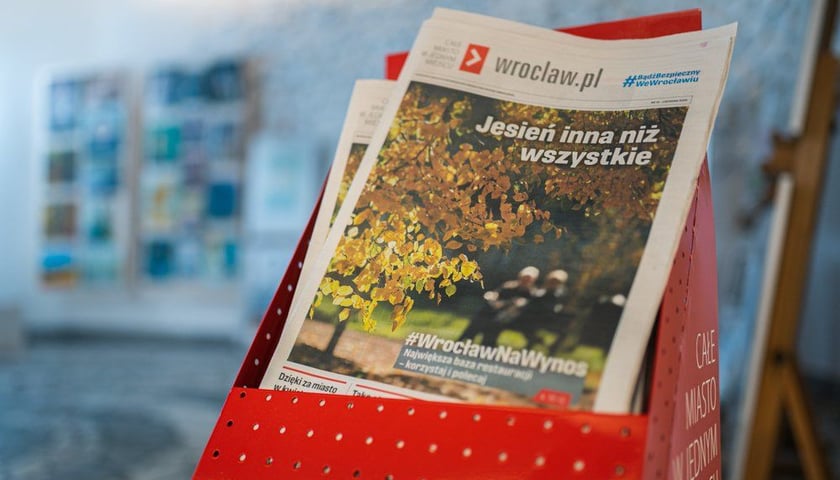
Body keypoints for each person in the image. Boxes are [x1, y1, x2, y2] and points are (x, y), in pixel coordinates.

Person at [457, 266, 540, 346]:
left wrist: (507, 304)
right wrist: (491, 296)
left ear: (533, 280)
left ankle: (485, 344)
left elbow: (523, 307)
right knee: (480, 319)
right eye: (524, 278)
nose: (525, 280)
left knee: (492, 329)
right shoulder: (509, 286)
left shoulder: (531, 293)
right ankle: (464, 340)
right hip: (493, 312)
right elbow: (496, 294)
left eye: (528, 279)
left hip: (508, 318)